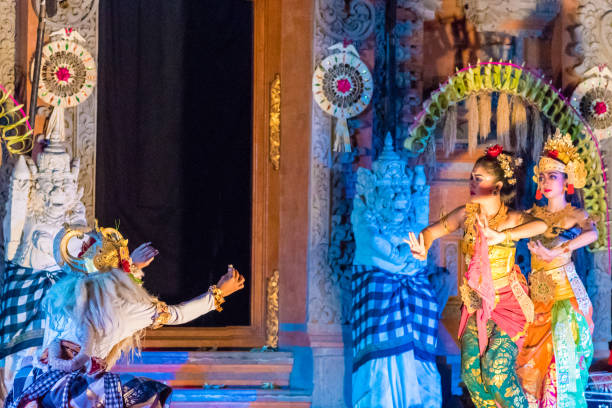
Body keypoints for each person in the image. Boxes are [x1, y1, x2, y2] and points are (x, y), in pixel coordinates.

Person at [5, 222, 245, 408]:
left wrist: (132, 265)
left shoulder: (64, 289)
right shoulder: (130, 305)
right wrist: (218, 294)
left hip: (36, 380)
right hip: (78, 389)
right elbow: (175, 313)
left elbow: (104, 277)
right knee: (150, 394)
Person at [407, 145, 548, 408]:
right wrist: (423, 245)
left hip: (508, 304)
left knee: (495, 373)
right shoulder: (466, 215)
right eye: (471, 177)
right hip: (476, 305)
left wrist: (503, 236)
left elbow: (541, 225)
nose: (471, 183)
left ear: (496, 187)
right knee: (471, 376)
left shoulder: (510, 218)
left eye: (478, 179)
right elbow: (433, 231)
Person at [516, 130, 596, 408]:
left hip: (564, 297)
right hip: (536, 299)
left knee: (559, 367)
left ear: (566, 181)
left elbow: (591, 235)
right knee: (529, 371)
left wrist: (559, 251)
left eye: (553, 176)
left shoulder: (575, 215)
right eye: (542, 176)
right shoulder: (533, 215)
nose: (546, 181)